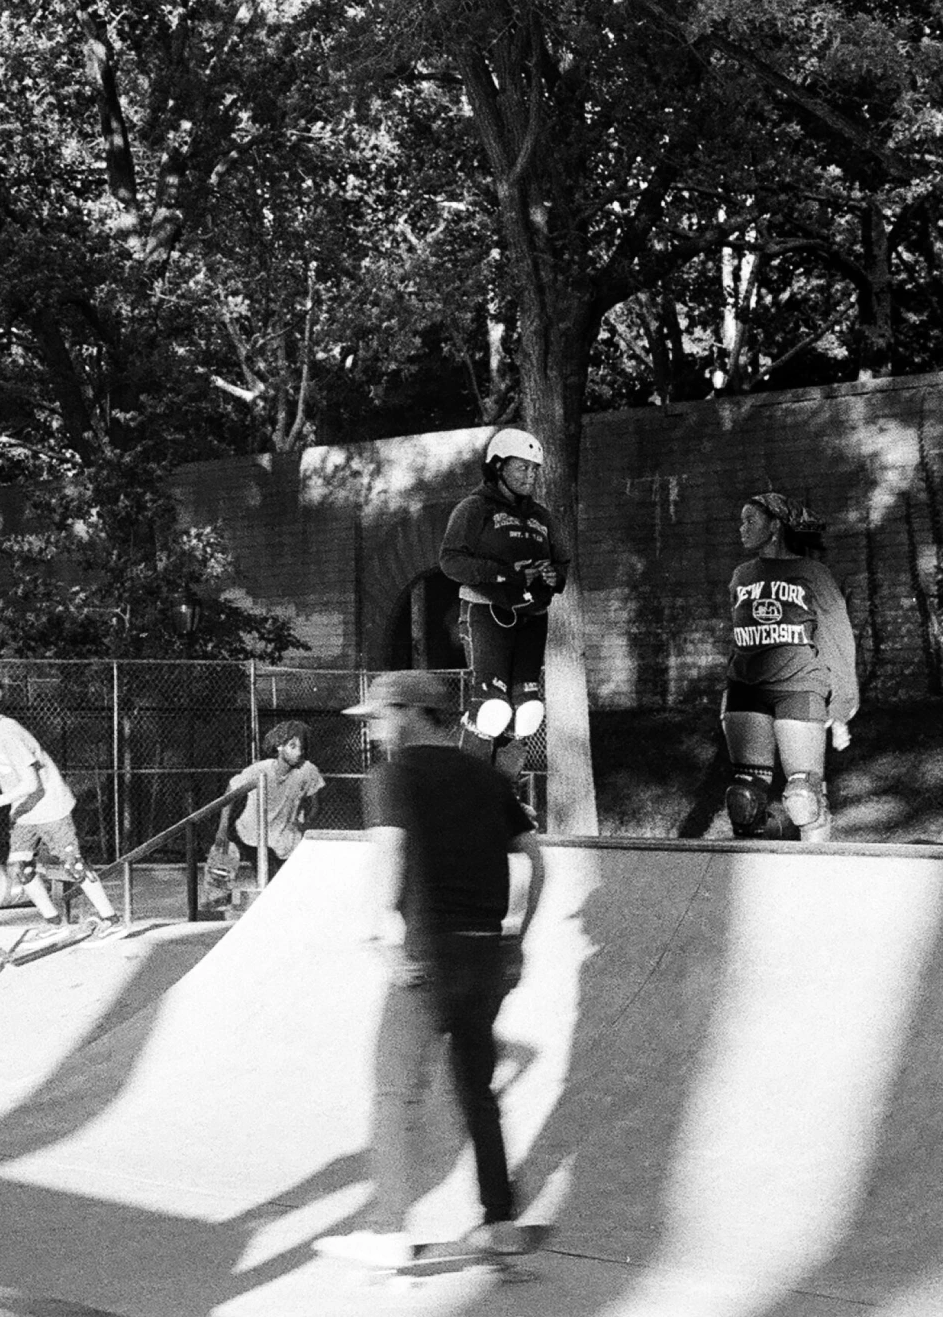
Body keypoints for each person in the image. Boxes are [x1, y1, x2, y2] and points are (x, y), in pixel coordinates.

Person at [314, 670, 547, 1270]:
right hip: (485, 956)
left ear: (416, 714)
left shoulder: (394, 776)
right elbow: (532, 862)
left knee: (396, 1091)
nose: (376, 731)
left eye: (382, 717)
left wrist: (383, 925)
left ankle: (390, 1231)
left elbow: (389, 849)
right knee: (477, 1092)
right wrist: (516, 938)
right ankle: (500, 1223)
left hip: (428, 955)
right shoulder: (487, 777)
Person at [0, 677, 120, 936]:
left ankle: (111, 919)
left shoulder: (8, 732)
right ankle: (55, 924)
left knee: (73, 865)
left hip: (50, 806)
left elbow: (31, 783)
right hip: (23, 812)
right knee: (19, 870)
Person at [722, 493, 857, 843]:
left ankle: (816, 882)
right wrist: (729, 689)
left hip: (799, 688)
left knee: (803, 798)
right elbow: (739, 639)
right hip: (746, 691)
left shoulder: (813, 574)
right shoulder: (741, 576)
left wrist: (841, 705)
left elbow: (838, 639)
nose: (742, 528)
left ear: (775, 526)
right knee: (744, 799)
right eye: (741, 521)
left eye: (750, 520)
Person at [437, 427, 568, 760]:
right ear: (498, 467)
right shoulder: (474, 508)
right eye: (522, 467)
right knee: (492, 710)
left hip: (533, 617)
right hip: (489, 612)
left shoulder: (541, 516)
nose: (531, 475)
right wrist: (504, 574)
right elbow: (450, 561)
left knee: (528, 715)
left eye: (535, 468)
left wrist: (554, 576)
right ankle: (468, 780)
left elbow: (562, 561)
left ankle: (505, 792)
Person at [203, 719, 324, 893]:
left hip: (286, 839)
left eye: (302, 748)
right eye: (292, 746)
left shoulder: (308, 771)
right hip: (253, 835)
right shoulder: (260, 770)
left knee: (293, 884)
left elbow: (315, 804)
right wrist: (222, 829)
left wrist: (306, 823)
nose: (299, 752)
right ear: (279, 747)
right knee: (272, 880)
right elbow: (231, 791)